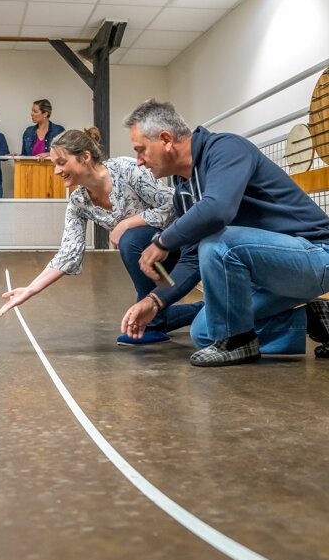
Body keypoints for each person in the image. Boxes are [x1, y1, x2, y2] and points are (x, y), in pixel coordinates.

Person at [121, 98, 329, 367]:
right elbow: (191, 258)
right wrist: (154, 301)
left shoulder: (225, 149)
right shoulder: (184, 192)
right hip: (270, 275)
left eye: (141, 150)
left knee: (218, 242)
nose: (139, 161)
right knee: (208, 332)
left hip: (316, 256)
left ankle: (240, 344)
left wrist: (163, 240)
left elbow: (218, 210)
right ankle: (317, 319)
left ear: (165, 139)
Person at [0, 127, 203, 341]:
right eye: (54, 165)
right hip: (152, 261)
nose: (56, 172)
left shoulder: (127, 169)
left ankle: (154, 324)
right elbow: (69, 254)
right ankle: (184, 313)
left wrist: (125, 225)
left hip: (183, 246)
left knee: (130, 238)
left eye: (61, 163)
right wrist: (30, 290)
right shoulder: (78, 201)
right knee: (138, 314)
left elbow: (173, 205)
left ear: (85, 157)